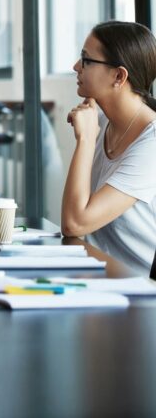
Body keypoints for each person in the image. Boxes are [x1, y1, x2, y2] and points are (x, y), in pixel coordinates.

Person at [62, 20, 156, 274]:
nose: (75, 67)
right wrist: (90, 134)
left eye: (86, 60)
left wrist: (85, 140)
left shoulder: (152, 144)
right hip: (97, 278)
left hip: (141, 294)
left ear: (118, 76)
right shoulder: (101, 122)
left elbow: (74, 223)